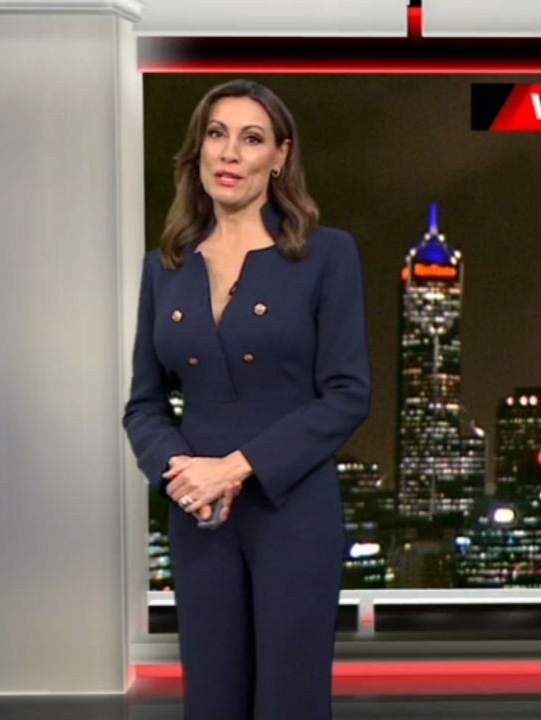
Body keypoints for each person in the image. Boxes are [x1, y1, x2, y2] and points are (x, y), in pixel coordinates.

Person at [122, 79, 371, 720]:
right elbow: (144, 405)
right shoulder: (165, 267)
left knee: (290, 699)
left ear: (280, 157)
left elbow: (348, 394)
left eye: (252, 138)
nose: (230, 152)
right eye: (217, 134)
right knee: (211, 699)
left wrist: (234, 468)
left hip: (293, 510)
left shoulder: (326, 255)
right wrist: (180, 472)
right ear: (199, 150)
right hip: (199, 514)